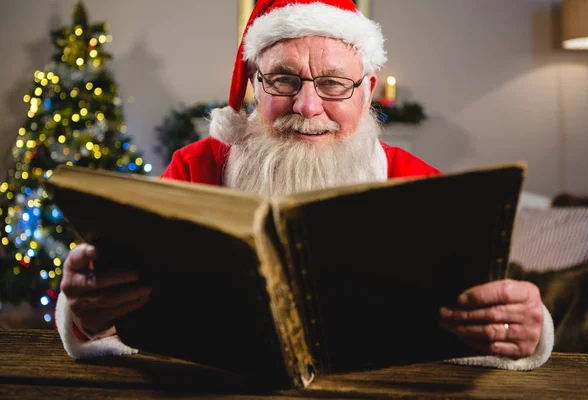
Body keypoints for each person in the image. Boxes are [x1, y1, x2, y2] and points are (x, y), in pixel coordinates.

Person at [55, 0, 554, 370]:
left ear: (368, 91)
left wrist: (528, 332)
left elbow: (490, 315)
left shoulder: (417, 182)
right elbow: (114, 320)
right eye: (284, 80)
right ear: (255, 85)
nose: (308, 106)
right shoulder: (195, 168)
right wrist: (88, 310)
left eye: (334, 83)